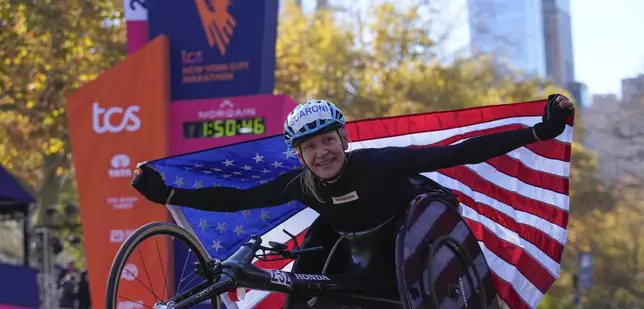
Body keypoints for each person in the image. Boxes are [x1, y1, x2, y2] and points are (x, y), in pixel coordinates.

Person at [132, 94, 573, 236]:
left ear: (343, 139)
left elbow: (459, 152)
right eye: (311, 148)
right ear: (299, 155)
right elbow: (236, 199)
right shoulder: (300, 185)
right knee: (315, 239)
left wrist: (537, 132)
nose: (322, 153)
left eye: (329, 141)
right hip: (356, 240)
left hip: (419, 223)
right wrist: (168, 194)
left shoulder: (381, 162)